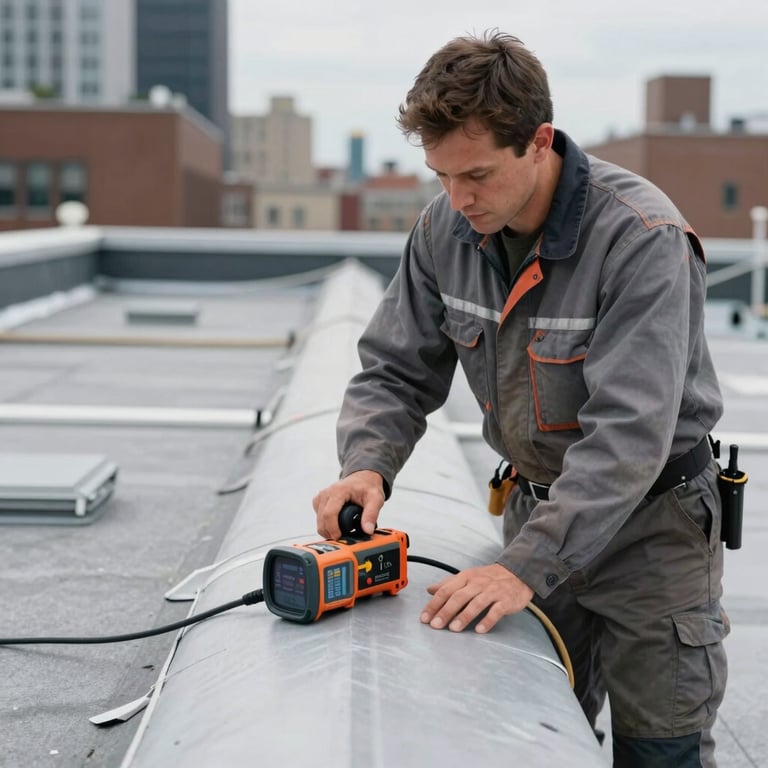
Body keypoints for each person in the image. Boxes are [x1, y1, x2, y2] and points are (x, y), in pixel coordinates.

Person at [312, 30, 728, 767]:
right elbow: (394, 370)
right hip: (540, 514)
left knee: (660, 751)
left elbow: (629, 436)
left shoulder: (641, 238)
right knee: (529, 734)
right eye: (440, 175)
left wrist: (521, 569)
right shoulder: (445, 229)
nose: (457, 198)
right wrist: (368, 465)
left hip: (652, 534)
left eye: (475, 174)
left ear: (538, 142)